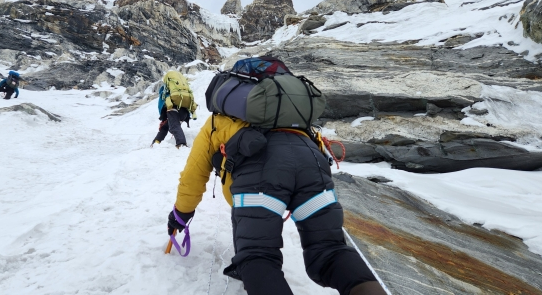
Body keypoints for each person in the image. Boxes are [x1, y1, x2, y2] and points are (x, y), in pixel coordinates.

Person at [166, 61, 386, 295]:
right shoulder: (296, 119)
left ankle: (250, 266)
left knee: (257, 256)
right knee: (330, 251)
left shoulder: (217, 122)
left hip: (259, 179)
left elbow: (194, 174)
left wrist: (181, 214)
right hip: (311, 167)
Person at [151, 71, 197, 148]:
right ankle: (156, 141)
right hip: (185, 111)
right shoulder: (182, 90)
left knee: (174, 126)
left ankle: (181, 144)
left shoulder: (165, 89)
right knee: (165, 126)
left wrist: (163, 116)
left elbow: (161, 103)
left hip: (173, 109)